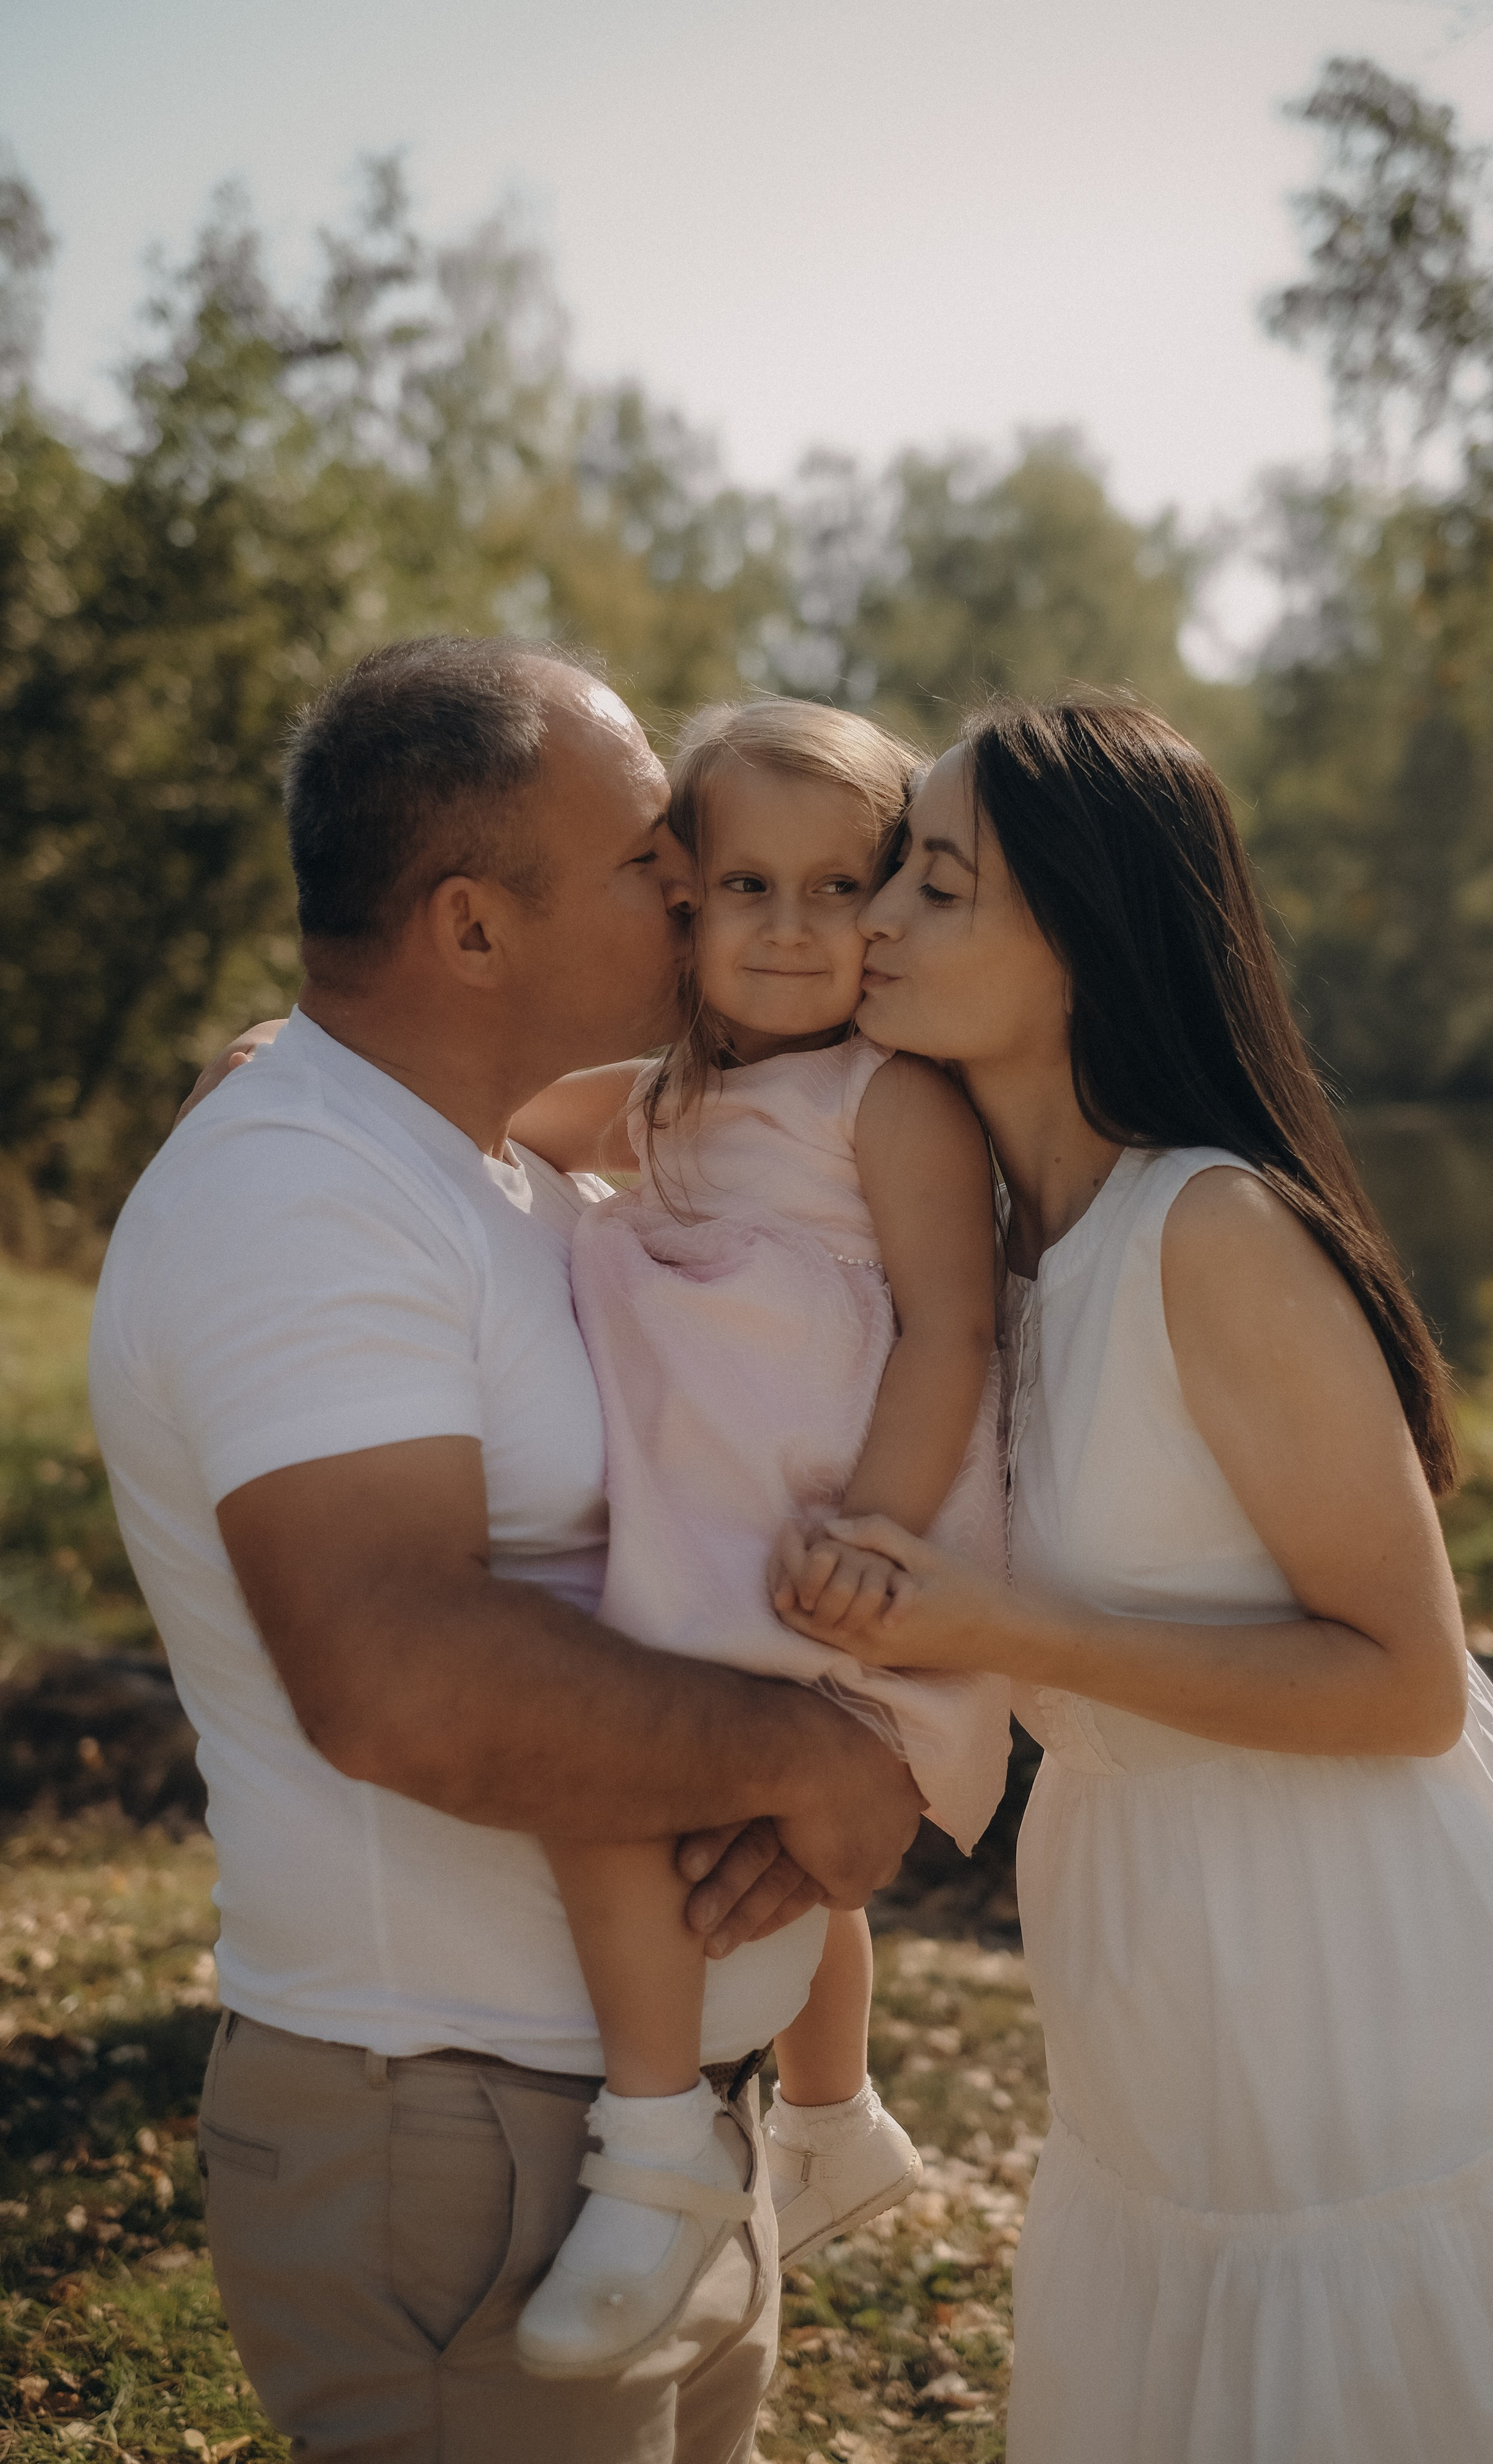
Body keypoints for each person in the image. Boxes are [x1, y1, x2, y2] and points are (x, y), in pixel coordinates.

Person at [772, 697, 1493, 2463]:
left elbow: (1403, 1685)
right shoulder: (989, 1254)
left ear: (1088, 937)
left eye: (935, 887)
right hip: (1144, 1908)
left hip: (1348, 1921)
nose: (872, 926)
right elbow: (674, 1114)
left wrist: (998, 1631)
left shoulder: (1214, 1232)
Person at [89, 637, 923, 2464]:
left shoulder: (507, 1174)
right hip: (458, 2139)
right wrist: (815, 1765)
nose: (694, 885)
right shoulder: (298, 1193)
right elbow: (399, 1676)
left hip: (647, 2134)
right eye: (650, 857)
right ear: (472, 928)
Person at [499, 699, 1011, 2375]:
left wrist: (878, 1529)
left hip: (823, 1543)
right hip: (704, 1530)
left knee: (604, 1783)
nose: (792, 928)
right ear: (684, 904)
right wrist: (296, 1059)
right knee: (662, 1784)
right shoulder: (656, 1096)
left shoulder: (892, 1101)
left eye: (838, 885)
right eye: (746, 887)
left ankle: (655, 2151)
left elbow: (951, 1332)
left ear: (888, 905)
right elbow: (485, 1116)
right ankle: (833, 2110)